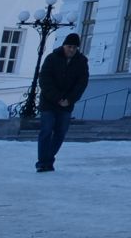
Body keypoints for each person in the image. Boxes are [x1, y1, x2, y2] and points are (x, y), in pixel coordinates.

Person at [35, 32, 89, 173]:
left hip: (67, 104)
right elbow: (44, 80)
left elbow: (81, 83)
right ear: (64, 45)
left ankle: (48, 159)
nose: (71, 49)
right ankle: (43, 162)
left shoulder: (81, 62)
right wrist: (57, 98)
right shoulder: (52, 58)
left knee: (60, 133)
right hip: (49, 102)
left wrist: (70, 99)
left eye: (74, 47)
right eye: (69, 46)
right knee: (46, 130)